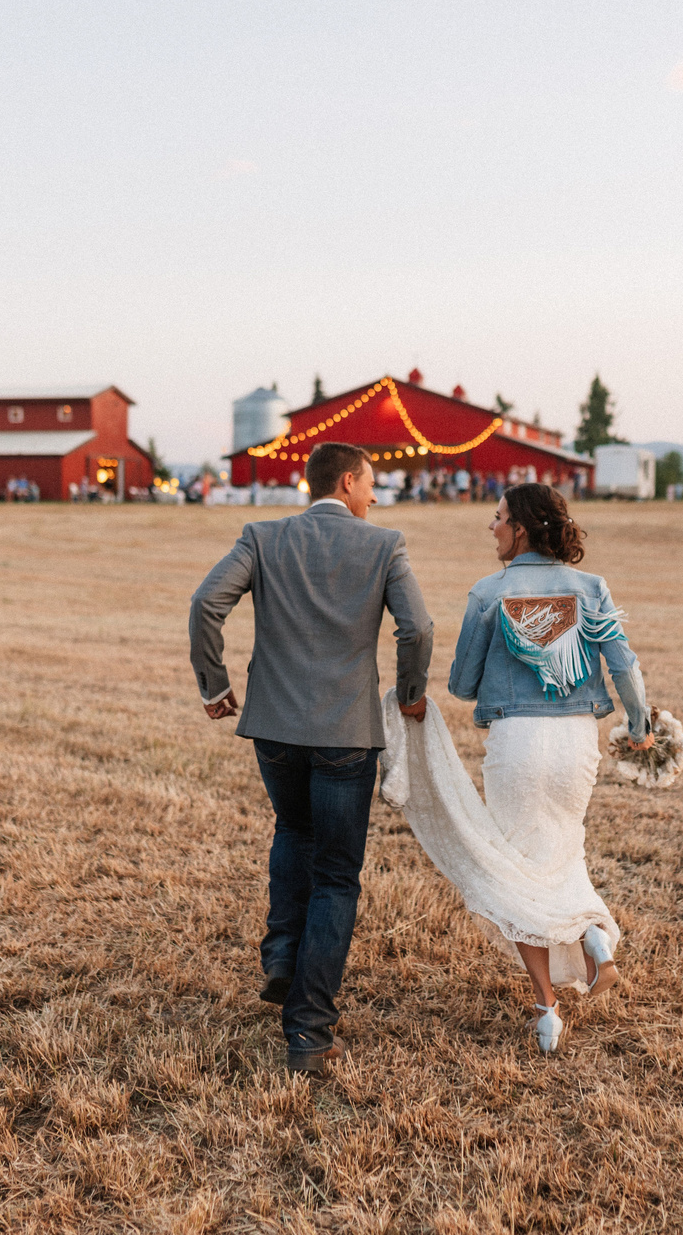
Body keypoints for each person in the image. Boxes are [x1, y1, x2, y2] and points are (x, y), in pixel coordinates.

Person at [189, 442, 433, 1075]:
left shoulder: (262, 536)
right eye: (372, 484)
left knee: (292, 829)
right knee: (336, 875)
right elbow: (419, 629)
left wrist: (214, 684)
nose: (376, 497)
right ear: (348, 482)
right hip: (346, 734)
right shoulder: (384, 546)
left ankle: (281, 957)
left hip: (274, 728)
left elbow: (205, 603)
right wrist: (410, 694)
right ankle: (309, 1030)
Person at [446, 482, 652, 1052]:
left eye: (498, 517)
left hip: (517, 740)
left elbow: (461, 685)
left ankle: (548, 1010)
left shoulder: (490, 593)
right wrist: (640, 726)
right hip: (575, 742)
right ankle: (592, 939)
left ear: (522, 529)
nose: (491, 526)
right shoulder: (590, 588)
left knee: (518, 869)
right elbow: (624, 666)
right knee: (563, 850)